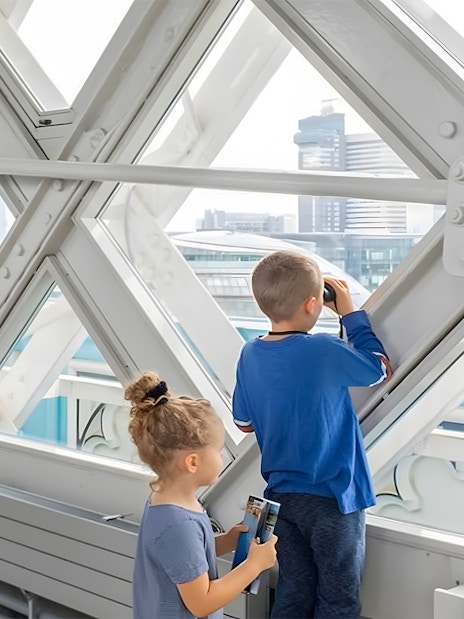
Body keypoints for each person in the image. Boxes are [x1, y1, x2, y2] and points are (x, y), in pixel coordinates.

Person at [231, 250, 394, 619]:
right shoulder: (322, 349)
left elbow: (244, 423)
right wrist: (350, 315)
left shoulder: (249, 353)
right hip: (331, 498)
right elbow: (379, 369)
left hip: (281, 497)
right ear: (312, 303)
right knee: (337, 598)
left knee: (293, 587)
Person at [125, 372, 278, 619]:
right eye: (217, 451)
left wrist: (226, 541)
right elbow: (202, 602)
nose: (221, 457)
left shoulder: (170, 504)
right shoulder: (177, 525)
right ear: (192, 462)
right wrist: (254, 566)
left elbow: (184, 558)